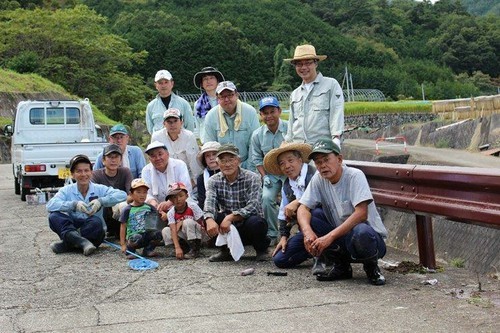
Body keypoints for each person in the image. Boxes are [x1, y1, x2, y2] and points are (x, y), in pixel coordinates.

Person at [297, 138, 388, 285]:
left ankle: (372, 268)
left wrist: (329, 237)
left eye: (326, 160)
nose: (323, 166)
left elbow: (361, 213)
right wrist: (307, 233)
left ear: (339, 159)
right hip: (343, 238)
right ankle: (341, 267)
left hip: (368, 240)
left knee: (361, 231)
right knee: (314, 217)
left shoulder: (354, 176)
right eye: (318, 162)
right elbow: (303, 207)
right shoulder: (319, 179)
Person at [263, 141, 327, 275]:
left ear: (300, 159)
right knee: (280, 259)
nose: (287, 166)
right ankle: (313, 250)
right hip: (306, 231)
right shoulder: (287, 183)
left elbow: (321, 198)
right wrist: (284, 236)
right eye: (282, 163)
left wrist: (298, 201)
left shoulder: (315, 174)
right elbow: (283, 211)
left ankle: (323, 256)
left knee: (315, 213)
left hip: (326, 224)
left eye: (290, 160)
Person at [46, 154, 127, 256]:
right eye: (79, 171)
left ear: (91, 172)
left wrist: (101, 201)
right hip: (73, 227)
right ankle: (82, 243)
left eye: (86, 170)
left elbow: (122, 195)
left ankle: (69, 242)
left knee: (96, 222)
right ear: (72, 174)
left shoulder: (99, 188)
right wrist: (73, 205)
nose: (83, 174)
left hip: (93, 230)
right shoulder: (66, 190)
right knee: (54, 216)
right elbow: (50, 205)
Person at [204, 144, 270, 262]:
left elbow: (253, 206)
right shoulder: (213, 180)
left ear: (238, 161)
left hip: (247, 224)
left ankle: (261, 250)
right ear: (218, 163)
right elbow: (210, 202)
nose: (227, 164)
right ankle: (225, 251)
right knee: (211, 218)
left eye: (231, 160)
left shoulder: (252, 177)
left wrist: (230, 217)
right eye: (223, 161)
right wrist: (209, 219)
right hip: (228, 226)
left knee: (256, 222)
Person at [284, 44, 344, 147]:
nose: (303, 67)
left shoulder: (331, 85)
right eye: (299, 64)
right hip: (299, 149)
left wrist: (336, 138)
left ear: (316, 64)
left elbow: (337, 112)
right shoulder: (295, 94)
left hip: (322, 148)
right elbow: (291, 124)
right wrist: (287, 143)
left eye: (308, 63)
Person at [249, 96, 288, 245]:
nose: (269, 116)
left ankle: (295, 231)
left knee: (293, 198)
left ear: (279, 111)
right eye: (265, 113)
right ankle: (272, 233)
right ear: (261, 115)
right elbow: (257, 159)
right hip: (270, 175)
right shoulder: (257, 135)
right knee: (266, 198)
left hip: (289, 174)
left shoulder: (289, 128)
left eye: (272, 111)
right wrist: (264, 176)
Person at [202, 81, 260, 169]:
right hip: (222, 167)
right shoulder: (210, 116)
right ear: (218, 98)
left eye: (230, 95)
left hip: (247, 165)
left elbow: (255, 144)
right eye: (223, 96)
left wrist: (248, 168)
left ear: (237, 95)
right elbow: (210, 147)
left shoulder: (250, 112)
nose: (227, 99)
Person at [151, 108, 202, 187]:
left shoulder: (189, 136)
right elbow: (154, 161)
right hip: (165, 178)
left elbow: (194, 163)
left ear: (181, 122)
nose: (172, 124)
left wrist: (194, 182)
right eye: (169, 122)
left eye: (175, 121)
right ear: (164, 124)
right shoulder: (157, 137)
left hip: (187, 177)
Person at [91, 143, 133, 238]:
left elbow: (131, 195)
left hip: (120, 211)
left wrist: (117, 203)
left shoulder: (126, 172)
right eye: (110, 157)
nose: (113, 160)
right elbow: (93, 197)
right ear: (103, 160)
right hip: (103, 211)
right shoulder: (96, 175)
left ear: (121, 160)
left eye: (116, 157)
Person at [140, 141, 192, 215]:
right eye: (153, 156)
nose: (157, 158)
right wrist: (152, 202)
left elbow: (186, 188)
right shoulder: (146, 170)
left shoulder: (180, 165)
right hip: (158, 207)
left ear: (167, 154)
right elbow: (146, 192)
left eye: (160, 154)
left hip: (179, 202)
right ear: (149, 159)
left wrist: (170, 202)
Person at [161, 182, 207, 259]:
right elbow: (173, 230)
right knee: (166, 230)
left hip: (199, 234)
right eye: (174, 197)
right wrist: (177, 248)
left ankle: (195, 249)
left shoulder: (192, 206)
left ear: (187, 196)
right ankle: (183, 248)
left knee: (188, 222)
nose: (178, 199)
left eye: (180, 196)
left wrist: (182, 222)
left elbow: (202, 222)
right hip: (185, 234)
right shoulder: (171, 212)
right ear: (171, 200)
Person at [119, 178, 163, 258]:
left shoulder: (149, 207)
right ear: (131, 194)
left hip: (147, 234)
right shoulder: (127, 209)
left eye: (144, 192)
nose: (142, 195)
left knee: (158, 234)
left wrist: (163, 214)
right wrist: (122, 244)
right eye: (138, 192)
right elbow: (123, 226)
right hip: (134, 236)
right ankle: (130, 251)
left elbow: (158, 213)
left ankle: (148, 250)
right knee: (136, 237)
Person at [146, 69, 195, 134]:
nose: (163, 85)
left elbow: (190, 127)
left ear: (172, 83)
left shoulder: (184, 104)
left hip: (180, 142)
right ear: (156, 85)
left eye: (166, 82)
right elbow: (150, 129)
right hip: (159, 143)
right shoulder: (151, 106)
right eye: (160, 83)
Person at [193, 66, 225, 139]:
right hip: (207, 142)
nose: (208, 81)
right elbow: (199, 126)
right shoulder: (198, 105)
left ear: (218, 81)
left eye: (211, 78)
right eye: (205, 79)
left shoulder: (225, 100)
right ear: (201, 84)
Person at [196, 141, 221, 211]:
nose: (211, 158)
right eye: (207, 156)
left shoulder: (229, 173)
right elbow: (202, 201)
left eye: (214, 154)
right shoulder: (201, 178)